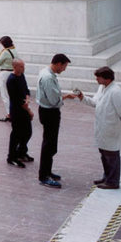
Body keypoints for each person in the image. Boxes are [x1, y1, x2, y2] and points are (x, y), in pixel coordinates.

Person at [75, 66, 121, 189]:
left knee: (112, 155)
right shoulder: (102, 88)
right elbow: (95, 102)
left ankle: (113, 181)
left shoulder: (116, 91)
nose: (96, 80)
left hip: (111, 128)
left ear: (107, 78)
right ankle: (107, 177)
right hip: (102, 127)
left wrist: (112, 122)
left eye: (98, 77)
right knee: (104, 154)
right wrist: (82, 97)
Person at [36, 53, 76, 188]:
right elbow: (54, 100)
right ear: (58, 63)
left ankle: (47, 171)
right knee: (49, 144)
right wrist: (66, 97)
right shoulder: (48, 77)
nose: (64, 69)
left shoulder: (46, 72)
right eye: (64, 66)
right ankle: (44, 176)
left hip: (47, 111)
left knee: (51, 144)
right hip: (50, 112)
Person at [6, 59, 33, 168]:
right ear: (15, 67)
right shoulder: (11, 80)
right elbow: (16, 99)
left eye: (23, 66)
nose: (23, 68)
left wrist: (27, 98)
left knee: (27, 132)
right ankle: (11, 157)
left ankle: (21, 152)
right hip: (17, 110)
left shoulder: (21, 76)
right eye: (21, 66)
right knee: (16, 134)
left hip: (24, 107)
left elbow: (26, 90)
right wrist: (29, 110)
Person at [0, 36, 17, 122]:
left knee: (5, 94)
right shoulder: (14, 50)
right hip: (13, 72)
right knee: (12, 94)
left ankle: (9, 114)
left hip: (5, 73)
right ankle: (14, 112)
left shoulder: (5, 52)